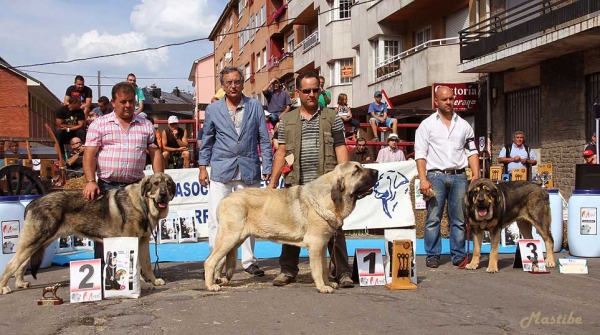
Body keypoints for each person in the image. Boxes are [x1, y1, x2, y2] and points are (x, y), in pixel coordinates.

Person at [267, 71, 354, 288]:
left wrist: (344, 178)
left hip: (326, 186)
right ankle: (288, 270)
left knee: (335, 227)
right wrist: (272, 183)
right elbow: (281, 152)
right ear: (298, 93)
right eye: (307, 91)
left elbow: (340, 147)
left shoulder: (332, 117)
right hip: (296, 183)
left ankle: (342, 272)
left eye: (316, 90)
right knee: (291, 226)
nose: (312, 94)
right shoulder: (286, 120)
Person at [198, 66, 273, 277]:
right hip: (221, 170)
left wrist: (266, 164)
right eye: (228, 82)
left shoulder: (255, 106)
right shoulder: (213, 110)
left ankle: (249, 261)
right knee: (216, 218)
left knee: (251, 219)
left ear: (243, 83)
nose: (233, 86)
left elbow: (264, 138)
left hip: (249, 168)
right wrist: (203, 167)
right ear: (222, 86)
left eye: (237, 81)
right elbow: (207, 141)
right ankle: (217, 260)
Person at [83, 82, 163, 260]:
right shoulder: (99, 124)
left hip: (136, 189)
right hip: (107, 187)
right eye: (123, 101)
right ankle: (105, 273)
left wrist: (160, 180)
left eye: (131, 101)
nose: (128, 105)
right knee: (104, 233)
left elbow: (155, 153)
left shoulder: (146, 125)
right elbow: (89, 153)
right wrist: (90, 181)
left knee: (138, 231)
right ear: (113, 102)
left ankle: (134, 274)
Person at [414, 85, 480, 269]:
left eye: (451, 98)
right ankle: (433, 255)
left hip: (459, 176)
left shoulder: (464, 125)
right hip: (435, 176)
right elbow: (420, 154)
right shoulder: (427, 125)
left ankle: (458, 255)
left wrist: (476, 174)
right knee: (433, 218)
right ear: (437, 101)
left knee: (459, 219)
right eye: (445, 99)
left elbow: (471, 151)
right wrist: (423, 179)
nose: (449, 102)